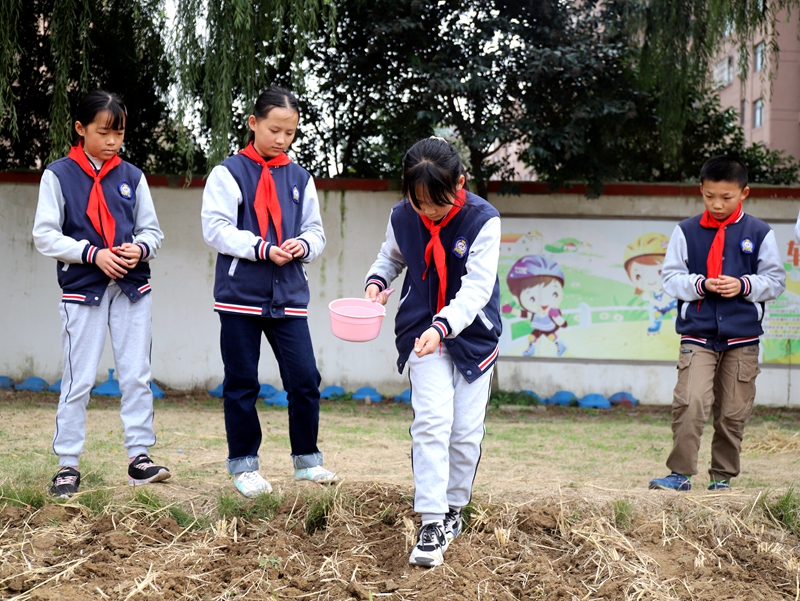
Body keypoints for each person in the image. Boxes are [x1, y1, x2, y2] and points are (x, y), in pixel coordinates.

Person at [364, 137, 501, 567]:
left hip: (473, 335)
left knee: (465, 434)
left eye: (436, 203)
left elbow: (477, 288)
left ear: (460, 183)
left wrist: (444, 326)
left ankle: (454, 508)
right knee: (431, 423)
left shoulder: (484, 220)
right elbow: (391, 258)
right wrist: (376, 282)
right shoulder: (403, 215)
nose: (427, 212)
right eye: (418, 201)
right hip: (421, 333)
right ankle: (431, 520)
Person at [32, 90, 170, 498]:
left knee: (136, 375)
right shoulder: (58, 175)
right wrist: (93, 254)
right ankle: (68, 464)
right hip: (83, 290)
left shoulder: (133, 176)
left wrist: (140, 248)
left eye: (119, 133)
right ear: (80, 128)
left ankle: (139, 458)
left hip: (131, 288)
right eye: (103, 132)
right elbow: (45, 236)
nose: (112, 141)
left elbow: (152, 232)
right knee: (78, 379)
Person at [201, 86, 334, 498]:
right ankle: (244, 465)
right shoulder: (228, 173)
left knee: (305, 379)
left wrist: (303, 245)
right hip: (239, 295)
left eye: (290, 133)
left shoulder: (300, 178)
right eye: (274, 130)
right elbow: (216, 229)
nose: (281, 139)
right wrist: (260, 248)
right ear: (253, 123)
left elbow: (315, 231)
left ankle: (307, 460)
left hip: (289, 296)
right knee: (242, 382)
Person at [649, 155, 785, 492]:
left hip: (743, 338)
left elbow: (775, 281)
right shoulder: (686, 230)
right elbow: (670, 278)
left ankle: (722, 479)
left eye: (727, 197)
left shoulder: (760, 233)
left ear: (744, 193)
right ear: (701, 190)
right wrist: (701, 284)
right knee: (690, 402)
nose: (718, 204)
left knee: (733, 412)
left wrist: (744, 285)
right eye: (710, 196)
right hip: (697, 335)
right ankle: (679, 475)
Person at [502, 255, 567, 357]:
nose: (544, 301)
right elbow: (524, 314)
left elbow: (563, 323)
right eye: (532, 298)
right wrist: (511, 310)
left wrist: (556, 316)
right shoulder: (535, 312)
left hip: (548, 326)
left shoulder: (552, 311)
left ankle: (560, 345)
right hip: (538, 326)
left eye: (554, 294)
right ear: (516, 298)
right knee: (533, 337)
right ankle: (532, 349)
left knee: (551, 336)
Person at [623, 233, 677, 335]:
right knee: (656, 314)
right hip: (659, 307)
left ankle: (677, 319)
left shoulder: (667, 290)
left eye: (660, 272)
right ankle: (655, 327)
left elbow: (663, 303)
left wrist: (649, 299)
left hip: (672, 304)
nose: (651, 279)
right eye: (638, 276)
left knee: (677, 313)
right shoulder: (653, 290)